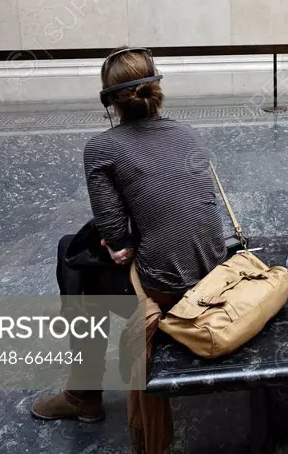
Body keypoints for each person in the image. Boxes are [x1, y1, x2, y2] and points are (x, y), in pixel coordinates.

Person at [31, 47, 227, 423]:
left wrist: (121, 244)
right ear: (156, 90)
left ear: (109, 101)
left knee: (72, 259)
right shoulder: (188, 132)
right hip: (212, 270)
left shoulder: (102, 147)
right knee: (86, 258)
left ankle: (82, 395)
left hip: (167, 283)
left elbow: (116, 236)